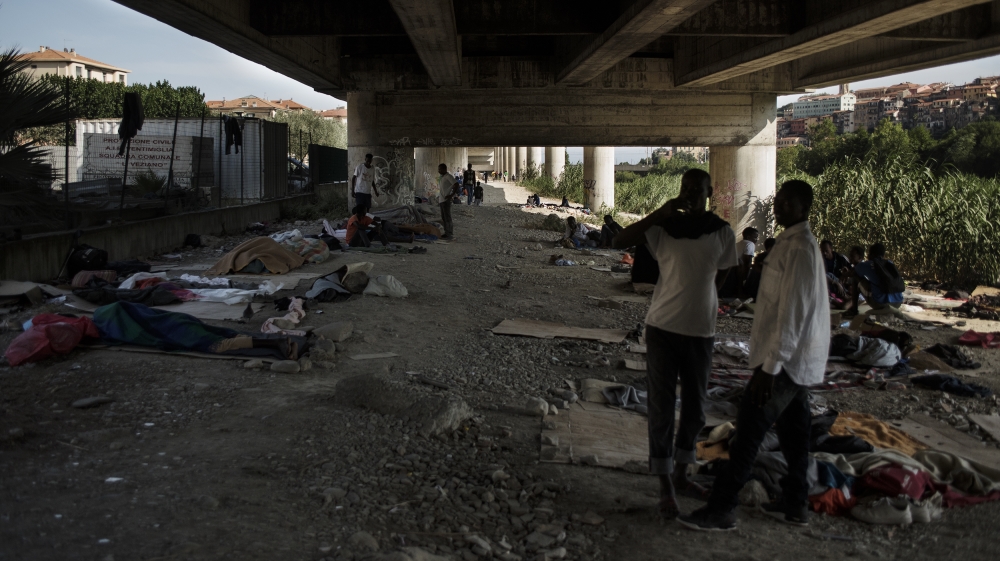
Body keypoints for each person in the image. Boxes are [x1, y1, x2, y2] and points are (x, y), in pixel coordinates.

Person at [679, 179, 830, 531]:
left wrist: (769, 367)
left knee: (748, 431)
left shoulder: (801, 249)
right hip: (792, 359)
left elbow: (793, 312)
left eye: (788, 202)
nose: (779, 206)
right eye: (778, 200)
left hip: (786, 362)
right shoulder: (791, 244)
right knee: (795, 434)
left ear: (804, 207)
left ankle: (722, 507)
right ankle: (795, 504)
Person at [612, 169, 738, 520]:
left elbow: (724, 274)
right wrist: (660, 212)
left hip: (701, 331)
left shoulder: (722, 232)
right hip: (663, 328)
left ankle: (682, 474)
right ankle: (666, 483)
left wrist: (705, 298)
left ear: (709, 192)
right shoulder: (665, 230)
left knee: (697, 410)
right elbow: (618, 241)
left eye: (697, 190)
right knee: (662, 409)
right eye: (685, 189)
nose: (690, 195)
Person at [845, 242, 904, 315]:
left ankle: (854, 310)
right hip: (898, 302)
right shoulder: (890, 263)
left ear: (871, 255)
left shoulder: (867, 264)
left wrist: (842, 276)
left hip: (880, 304)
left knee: (855, 277)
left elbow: (852, 273)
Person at [437, 163, 459, 239]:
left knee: (447, 217)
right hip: (442, 200)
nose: (438, 170)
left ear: (444, 169)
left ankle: (449, 233)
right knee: (444, 217)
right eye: (438, 169)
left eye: (440, 169)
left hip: (446, 200)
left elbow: (456, 184)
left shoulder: (448, 176)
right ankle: (447, 232)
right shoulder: (442, 177)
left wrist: (451, 195)